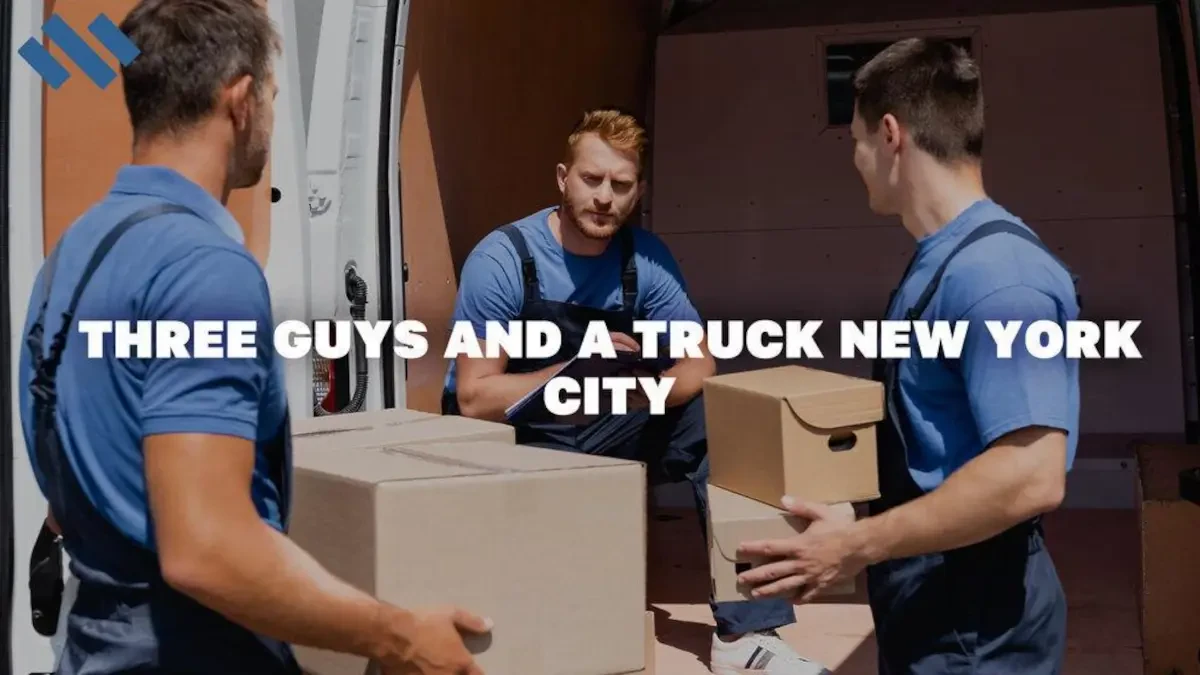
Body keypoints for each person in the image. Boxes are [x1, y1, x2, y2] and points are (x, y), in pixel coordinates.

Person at [19, 1, 490, 673]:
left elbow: (77, 485)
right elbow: (206, 548)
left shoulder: (72, 254)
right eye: (270, 96)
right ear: (240, 101)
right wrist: (399, 635)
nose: (267, 116)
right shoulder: (206, 270)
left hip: (94, 645)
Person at [442, 107, 831, 675]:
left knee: (729, 425)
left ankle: (747, 636)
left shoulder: (643, 259)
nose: (604, 197)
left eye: (620, 186)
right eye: (591, 179)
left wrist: (645, 392)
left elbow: (701, 362)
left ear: (637, 191)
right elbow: (474, 398)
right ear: (561, 178)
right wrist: (577, 365)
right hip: (515, 439)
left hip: (608, 418)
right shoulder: (505, 259)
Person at [733, 38, 1079, 675]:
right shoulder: (940, 262)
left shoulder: (1000, 277)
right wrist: (853, 512)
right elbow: (935, 445)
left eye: (857, 140)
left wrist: (859, 544)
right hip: (930, 602)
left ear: (890, 135)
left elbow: (1032, 472)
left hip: (979, 627)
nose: (857, 160)